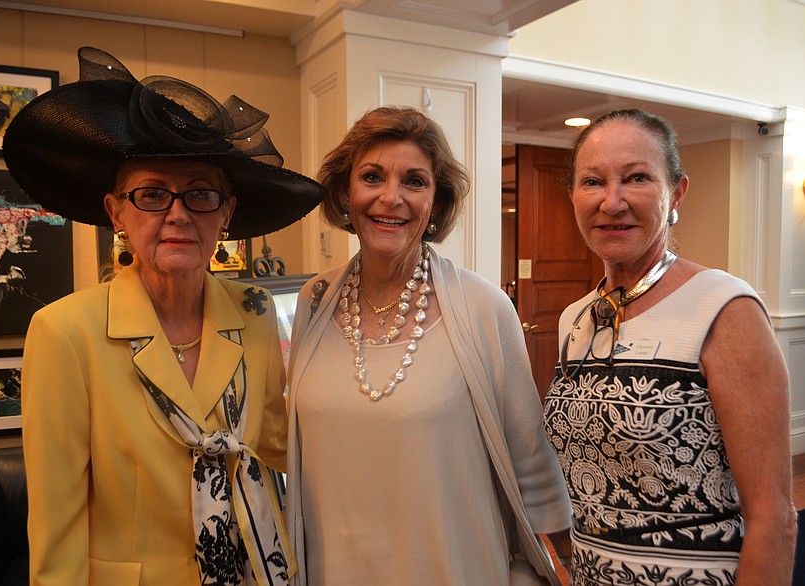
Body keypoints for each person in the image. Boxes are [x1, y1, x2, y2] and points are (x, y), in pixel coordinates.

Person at [2, 47, 323, 585]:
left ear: (226, 214)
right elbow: (57, 528)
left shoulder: (255, 310)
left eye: (200, 194)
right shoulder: (64, 332)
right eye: (152, 194)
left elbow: (274, 446)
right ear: (116, 213)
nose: (177, 215)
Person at [284, 105, 572, 585]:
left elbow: (533, 465)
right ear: (345, 193)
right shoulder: (314, 301)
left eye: (414, 182)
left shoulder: (484, 308)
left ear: (436, 203)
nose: (390, 198)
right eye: (372, 177)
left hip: (454, 567)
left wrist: (560, 563)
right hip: (335, 569)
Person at [542, 109, 796, 585]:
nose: (611, 203)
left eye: (636, 178)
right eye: (592, 182)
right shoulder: (573, 320)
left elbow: (773, 519)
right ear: (573, 195)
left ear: (676, 191)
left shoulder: (723, 307)